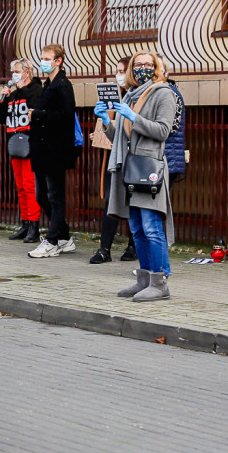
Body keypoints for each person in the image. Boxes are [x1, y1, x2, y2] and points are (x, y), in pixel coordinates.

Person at [94, 51, 177, 301]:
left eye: (148, 64)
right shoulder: (129, 95)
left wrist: (133, 117)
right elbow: (120, 138)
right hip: (129, 168)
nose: (142, 68)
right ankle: (143, 280)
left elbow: (163, 131)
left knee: (152, 228)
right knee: (137, 228)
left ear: (156, 68)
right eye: (137, 64)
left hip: (148, 169)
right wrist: (106, 122)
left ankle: (160, 283)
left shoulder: (164, 93)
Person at [26, 44, 77, 258]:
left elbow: (66, 116)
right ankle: (63, 235)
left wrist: (37, 115)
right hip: (42, 149)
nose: (43, 62)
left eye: (47, 58)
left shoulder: (63, 85)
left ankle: (53, 240)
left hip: (55, 149)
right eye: (42, 57)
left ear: (58, 61)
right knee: (41, 196)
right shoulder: (49, 83)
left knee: (55, 196)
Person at [90, 56, 137, 264]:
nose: (118, 75)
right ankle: (104, 248)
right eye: (116, 71)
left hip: (135, 158)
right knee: (111, 201)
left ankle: (133, 246)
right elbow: (111, 130)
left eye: (121, 71)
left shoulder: (139, 97)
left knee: (135, 202)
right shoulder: (116, 97)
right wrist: (103, 130)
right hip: (116, 157)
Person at [0, 57, 43, 242]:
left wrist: (22, 88)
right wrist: (4, 99)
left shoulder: (36, 90)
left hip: (30, 143)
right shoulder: (13, 94)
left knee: (31, 185)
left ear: (27, 72)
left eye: (17, 71)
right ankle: (24, 223)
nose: (14, 75)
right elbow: (2, 119)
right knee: (21, 186)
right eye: (13, 72)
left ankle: (34, 225)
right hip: (15, 142)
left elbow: (35, 107)